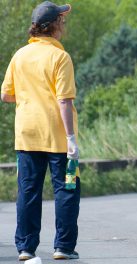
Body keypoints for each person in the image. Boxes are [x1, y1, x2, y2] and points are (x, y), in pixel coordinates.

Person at [1, 1, 80, 261]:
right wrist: (71, 139)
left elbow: (6, 95)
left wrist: (30, 96)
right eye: (63, 21)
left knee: (28, 191)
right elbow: (64, 100)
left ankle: (25, 248)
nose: (65, 25)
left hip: (27, 136)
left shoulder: (20, 55)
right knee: (67, 189)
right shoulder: (60, 57)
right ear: (55, 25)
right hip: (58, 138)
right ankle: (64, 247)